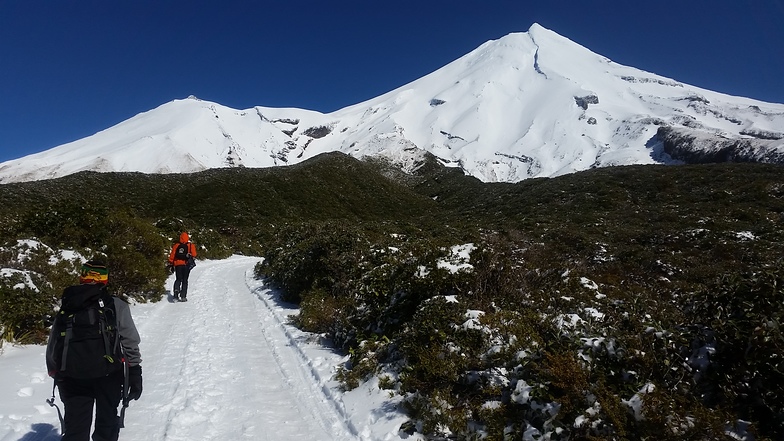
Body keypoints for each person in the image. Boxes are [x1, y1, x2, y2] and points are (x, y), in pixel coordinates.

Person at [45, 260, 143, 441]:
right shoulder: (115, 304)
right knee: (106, 424)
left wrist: (56, 372)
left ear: (82, 277)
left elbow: (54, 342)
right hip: (109, 375)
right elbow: (129, 341)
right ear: (105, 280)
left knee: (76, 427)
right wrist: (135, 371)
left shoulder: (67, 303)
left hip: (71, 376)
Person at [168, 231, 197, 302]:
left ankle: (176, 294)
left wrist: (171, 263)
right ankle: (183, 296)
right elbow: (194, 254)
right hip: (186, 265)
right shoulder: (190, 245)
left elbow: (172, 255)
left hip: (178, 265)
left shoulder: (176, 245)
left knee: (178, 279)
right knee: (185, 280)